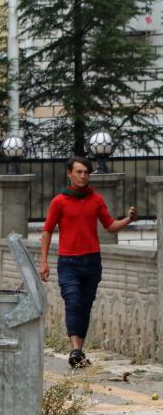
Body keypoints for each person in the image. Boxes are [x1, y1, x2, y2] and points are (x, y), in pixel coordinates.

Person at [38, 156, 137, 369]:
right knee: (72, 300)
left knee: (84, 306)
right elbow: (46, 231)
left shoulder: (96, 200)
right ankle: (75, 349)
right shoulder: (59, 201)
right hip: (68, 262)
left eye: (86, 173)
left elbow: (109, 225)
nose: (83, 176)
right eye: (79, 172)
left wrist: (128, 219)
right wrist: (43, 262)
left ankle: (78, 352)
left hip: (92, 261)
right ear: (69, 174)